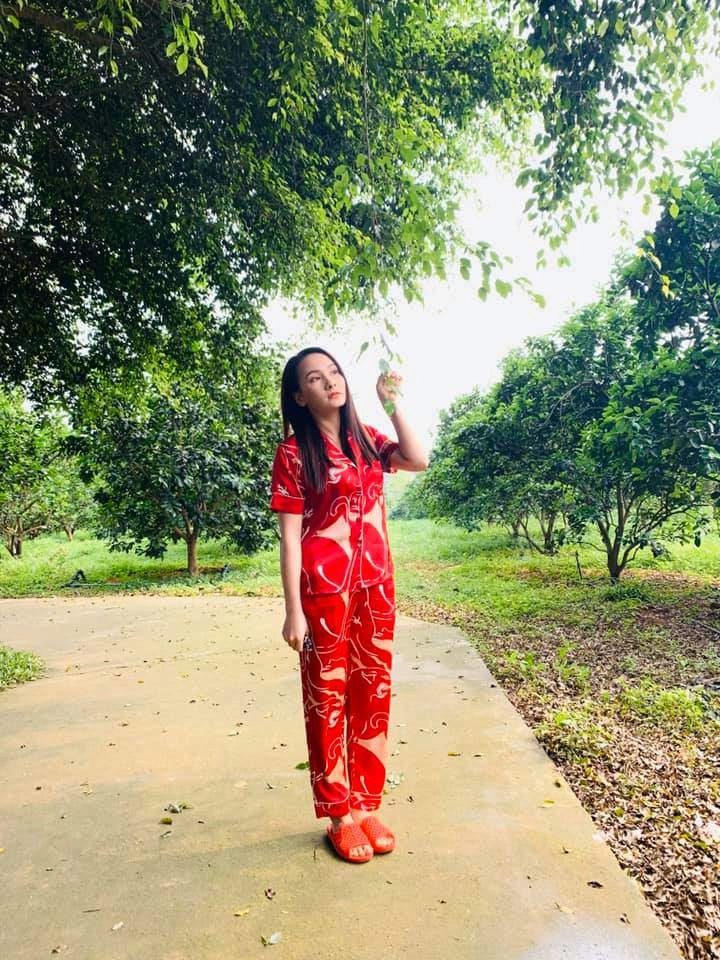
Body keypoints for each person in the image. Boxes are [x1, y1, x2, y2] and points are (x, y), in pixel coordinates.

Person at [268, 346, 428, 863]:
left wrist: (391, 401)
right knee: (327, 700)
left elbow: (418, 459)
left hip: (376, 587)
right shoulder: (294, 454)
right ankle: (339, 813)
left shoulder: (368, 440)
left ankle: (365, 804)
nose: (330, 381)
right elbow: (290, 538)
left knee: (371, 695)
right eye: (315, 378)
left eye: (334, 372)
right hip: (323, 594)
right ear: (300, 396)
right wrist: (293, 610)